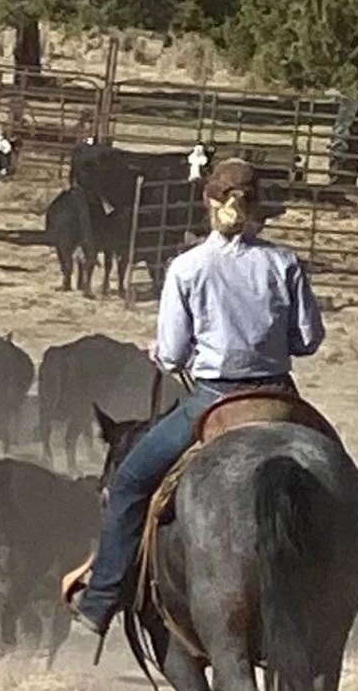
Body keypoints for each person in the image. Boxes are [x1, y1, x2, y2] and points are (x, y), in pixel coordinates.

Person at [64, 155, 325, 640]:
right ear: (259, 207)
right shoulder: (285, 263)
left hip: (213, 398)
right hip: (280, 396)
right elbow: (308, 341)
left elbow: (172, 352)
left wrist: (162, 354)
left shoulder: (186, 268)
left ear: (208, 202)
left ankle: (100, 602)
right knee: (337, 477)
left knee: (128, 485)